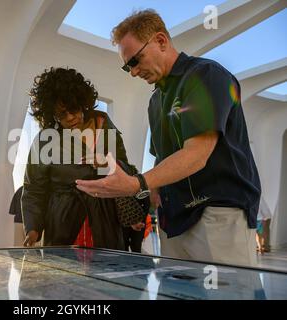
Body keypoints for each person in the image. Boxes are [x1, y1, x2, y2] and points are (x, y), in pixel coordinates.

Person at [76, 10, 261, 266]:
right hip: (172, 220)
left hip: (216, 215)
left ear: (161, 41)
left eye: (135, 60)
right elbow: (163, 159)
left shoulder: (205, 76)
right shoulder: (156, 100)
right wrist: (141, 196)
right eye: (127, 65)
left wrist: (135, 183)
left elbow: (196, 154)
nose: (132, 72)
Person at [21, 67, 140, 250]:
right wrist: (33, 228)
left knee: (107, 275)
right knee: (64, 277)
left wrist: (110, 164)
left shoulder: (109, 131)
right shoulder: (45, 140)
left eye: (73, 109)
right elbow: (34, 189)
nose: (69, 118)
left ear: (83, 102)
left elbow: (128, 173)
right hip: (63, 224)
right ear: (51, 114)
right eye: (61, 114)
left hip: (106, 224)